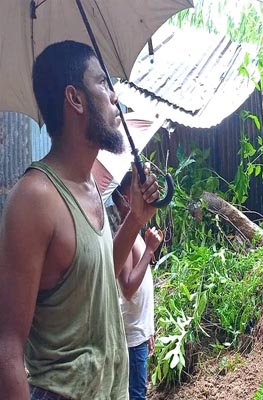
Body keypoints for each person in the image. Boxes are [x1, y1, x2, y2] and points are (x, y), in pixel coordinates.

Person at [0, 40, 160, 399]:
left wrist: (135, 219)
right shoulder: (34, 198)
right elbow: (7, 345)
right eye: (103, 83)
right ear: (75, 99)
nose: (114, 97)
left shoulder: (89, 187)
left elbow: (100, 276)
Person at [111, 171, 163, 400]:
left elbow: (142, 288)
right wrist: (150, 250)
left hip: (138, 333)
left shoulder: (134, 233)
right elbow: (128, 287)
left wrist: (148, 328)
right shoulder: (124, 236)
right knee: (136, 396)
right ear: (125, 198)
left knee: (138, 393)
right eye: (137, 192)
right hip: (130, 338)